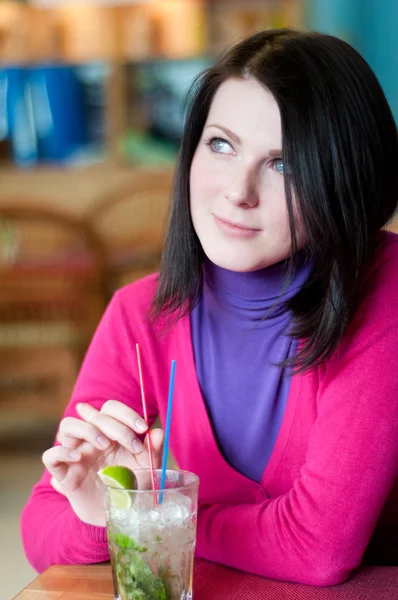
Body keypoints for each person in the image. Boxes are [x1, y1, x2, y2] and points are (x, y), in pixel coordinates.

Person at [22, 29, 398, 587]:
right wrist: (100, 509)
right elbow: (42, 528)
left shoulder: (386, 290)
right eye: (221, 144)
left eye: (284, 165)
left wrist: (156, 515)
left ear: (344, 177)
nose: (237, 191)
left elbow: (318, 547)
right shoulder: (140, 314)